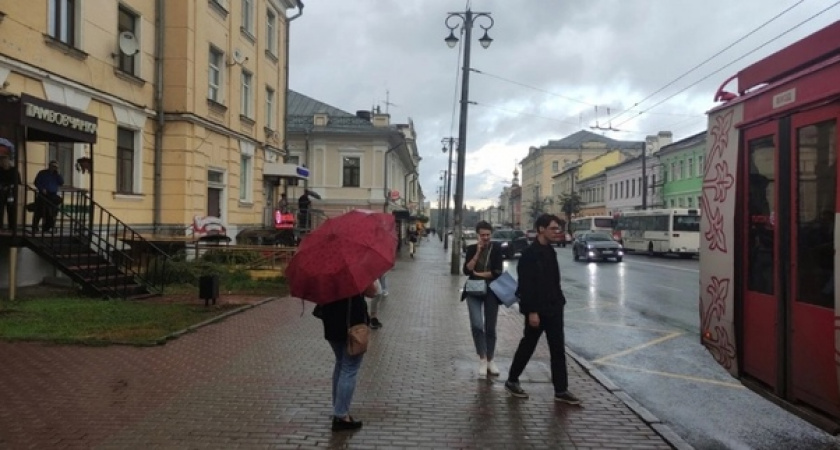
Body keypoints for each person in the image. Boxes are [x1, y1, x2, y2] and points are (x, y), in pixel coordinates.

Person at [505, 213, 581, 405]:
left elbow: (553, 281)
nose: (557, 232)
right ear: (541, 229)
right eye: (553, 228)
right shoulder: (529, 255)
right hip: (537, 310)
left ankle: (561, 390)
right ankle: (512, 380)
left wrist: (559, 301)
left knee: (558, 350)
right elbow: (526, 286)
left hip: (554, 307)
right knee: (528, 346)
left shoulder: (550, 251)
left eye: (558, 229)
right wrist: (531, 311)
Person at [313, 281, 377, 432]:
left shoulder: (325, 271)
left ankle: (338, 408)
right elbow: (372, 292)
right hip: (352, 326)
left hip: (331, 323)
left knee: (341, 364)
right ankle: (341, 416)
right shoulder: (355, 271)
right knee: (349, 368)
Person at [462, 221, 504, 378]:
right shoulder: (472, 249)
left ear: (491, 234)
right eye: (482, 235)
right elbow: (466, 270)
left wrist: (478, 274)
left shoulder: (496, 249)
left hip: (492, 290)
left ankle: (491, 360)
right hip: (473, 289)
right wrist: (478, 253)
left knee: (490, 327)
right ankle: (482, 358)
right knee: (477, 325)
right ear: (477, 235)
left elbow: (497, 272)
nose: (485, 238)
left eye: (487, 235)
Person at [32, 160, 64, 233]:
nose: (54, 168)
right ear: (49, 166)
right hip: (43, 194)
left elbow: (61, 182)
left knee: (51, 211)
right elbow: (36, 182)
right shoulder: (42, 173)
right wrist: (41, 188)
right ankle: (35, 227)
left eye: (55, 167)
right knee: (39, 211)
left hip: (52, 194)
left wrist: (58, 173)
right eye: (53, 166)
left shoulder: (57, 175)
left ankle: (48, 227)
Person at [0, 152, 21, 230]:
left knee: (11, 210)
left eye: (5, 161)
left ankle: (11, 227)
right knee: (0, 210)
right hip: (1, 193)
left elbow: (18, 182)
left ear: (9, 161)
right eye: (2, 161)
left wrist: (9, 186)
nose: (3, 163)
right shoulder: (0, 170)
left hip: (11, 193)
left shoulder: (14, 170)